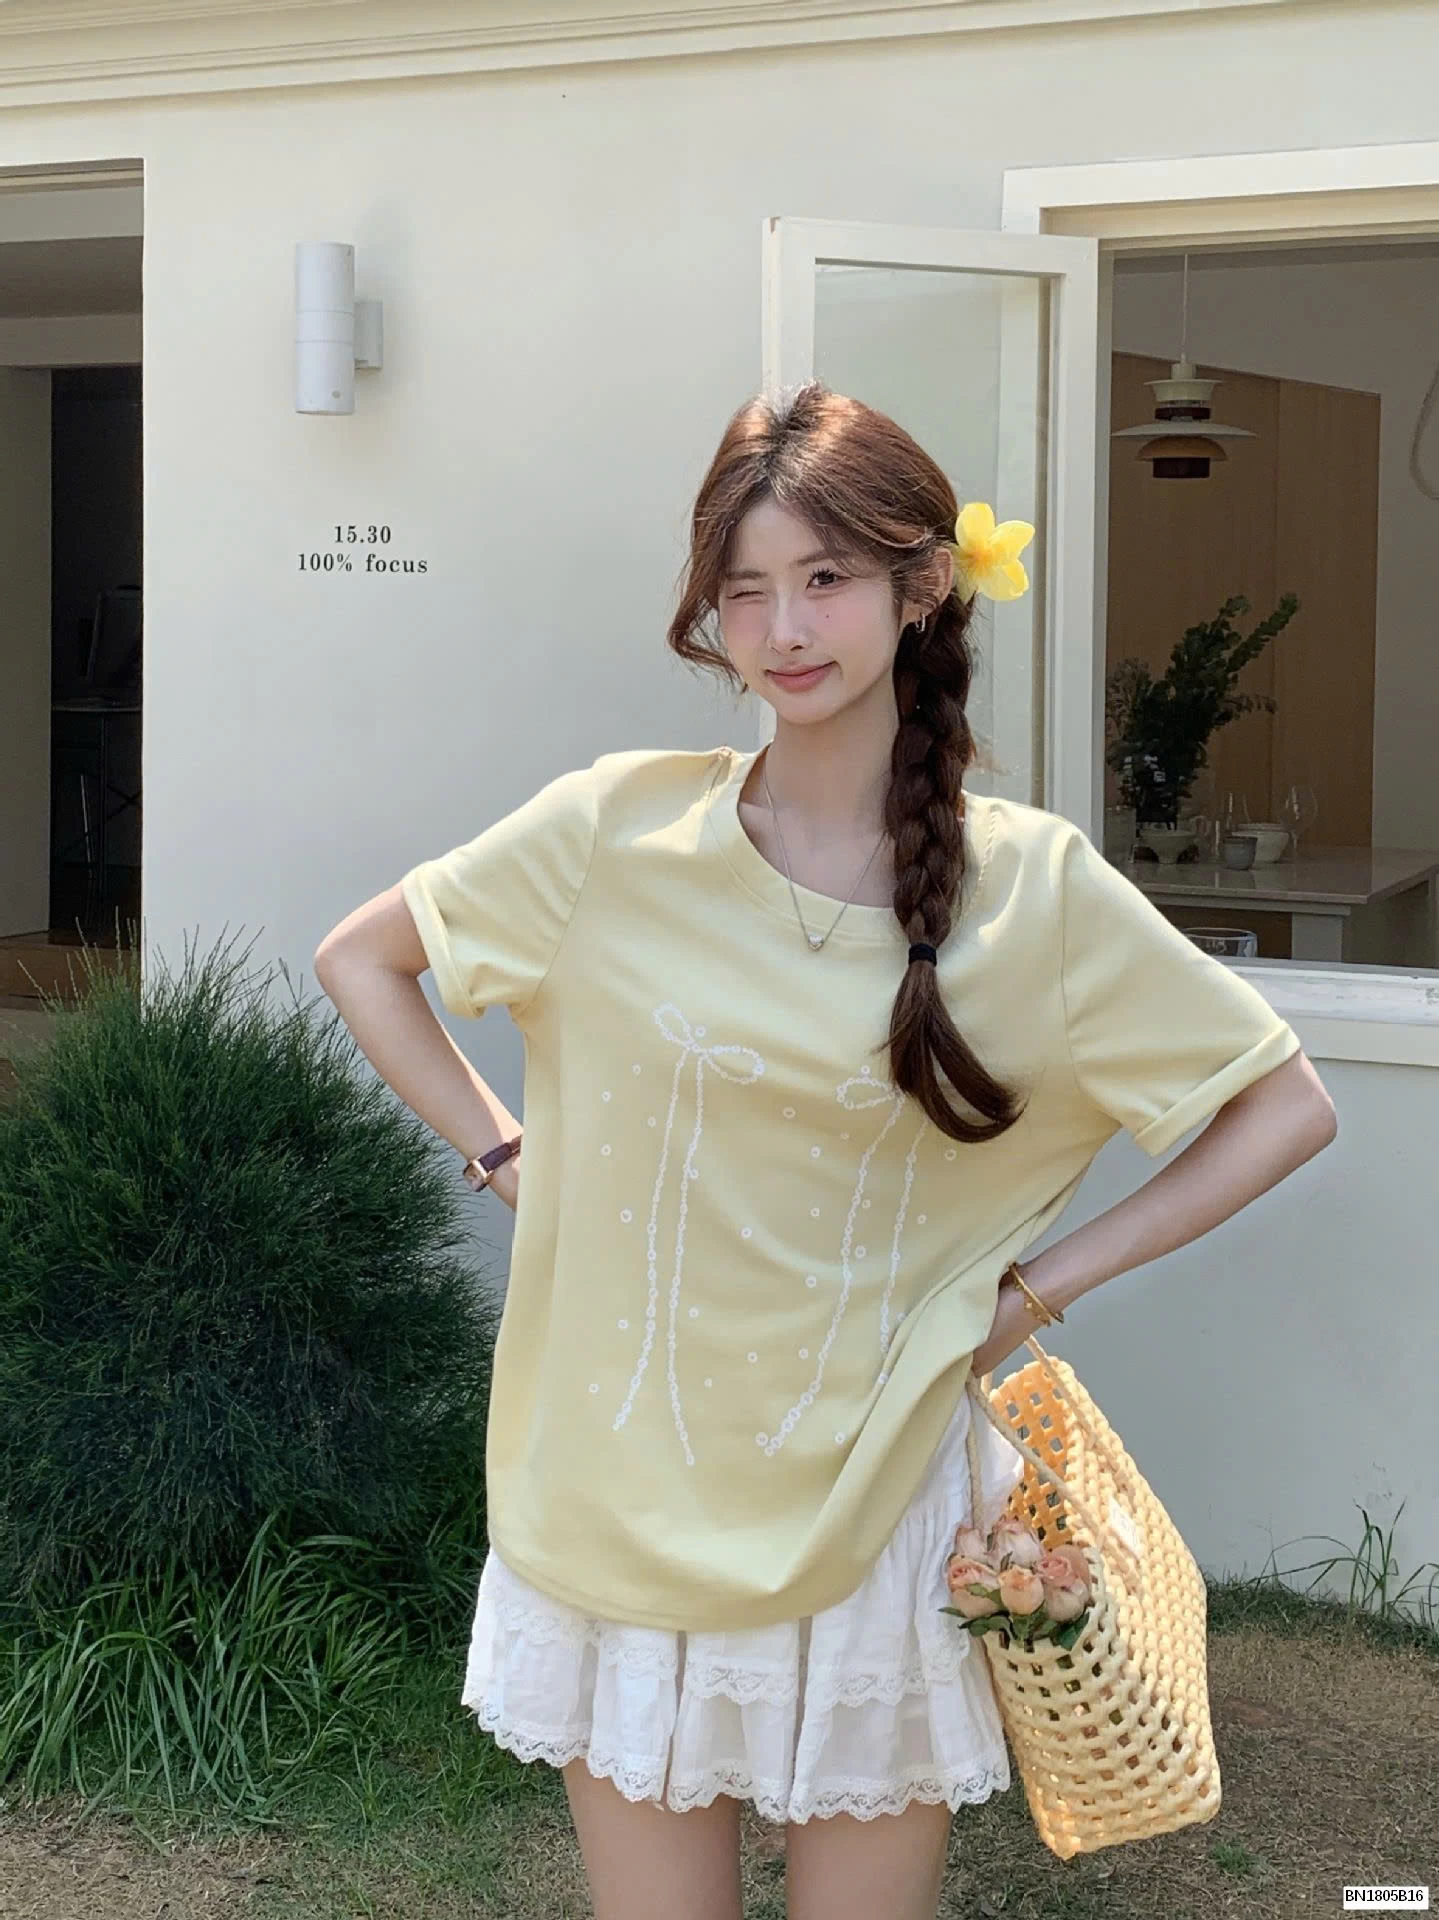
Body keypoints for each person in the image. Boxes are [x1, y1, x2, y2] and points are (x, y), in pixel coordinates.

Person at [312, 382, 1338, 1920]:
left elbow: (1282, 1104)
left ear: (922, 589)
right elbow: (362, 961)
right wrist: (505, 1152)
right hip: (619, 1497)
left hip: (877, 1509)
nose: (782, 629)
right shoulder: (610, 831)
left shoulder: (1034, 892)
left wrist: (1030, 1293)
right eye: (742, 591)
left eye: (823, 578)